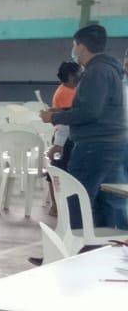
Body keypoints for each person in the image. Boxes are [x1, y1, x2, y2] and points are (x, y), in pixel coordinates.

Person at [43, 23, 128, 230]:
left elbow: (89, 112)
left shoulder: (96, 71)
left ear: (81, 46)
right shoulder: (110, 71)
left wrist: (55, 118)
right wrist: (60, 113)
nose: (74, 50)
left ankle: (74, 251)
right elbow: (93, 107)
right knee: (105, 203)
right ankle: (99, 252)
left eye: (74, 45)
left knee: (77, 200)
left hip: (94, 146)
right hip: (111, 145)